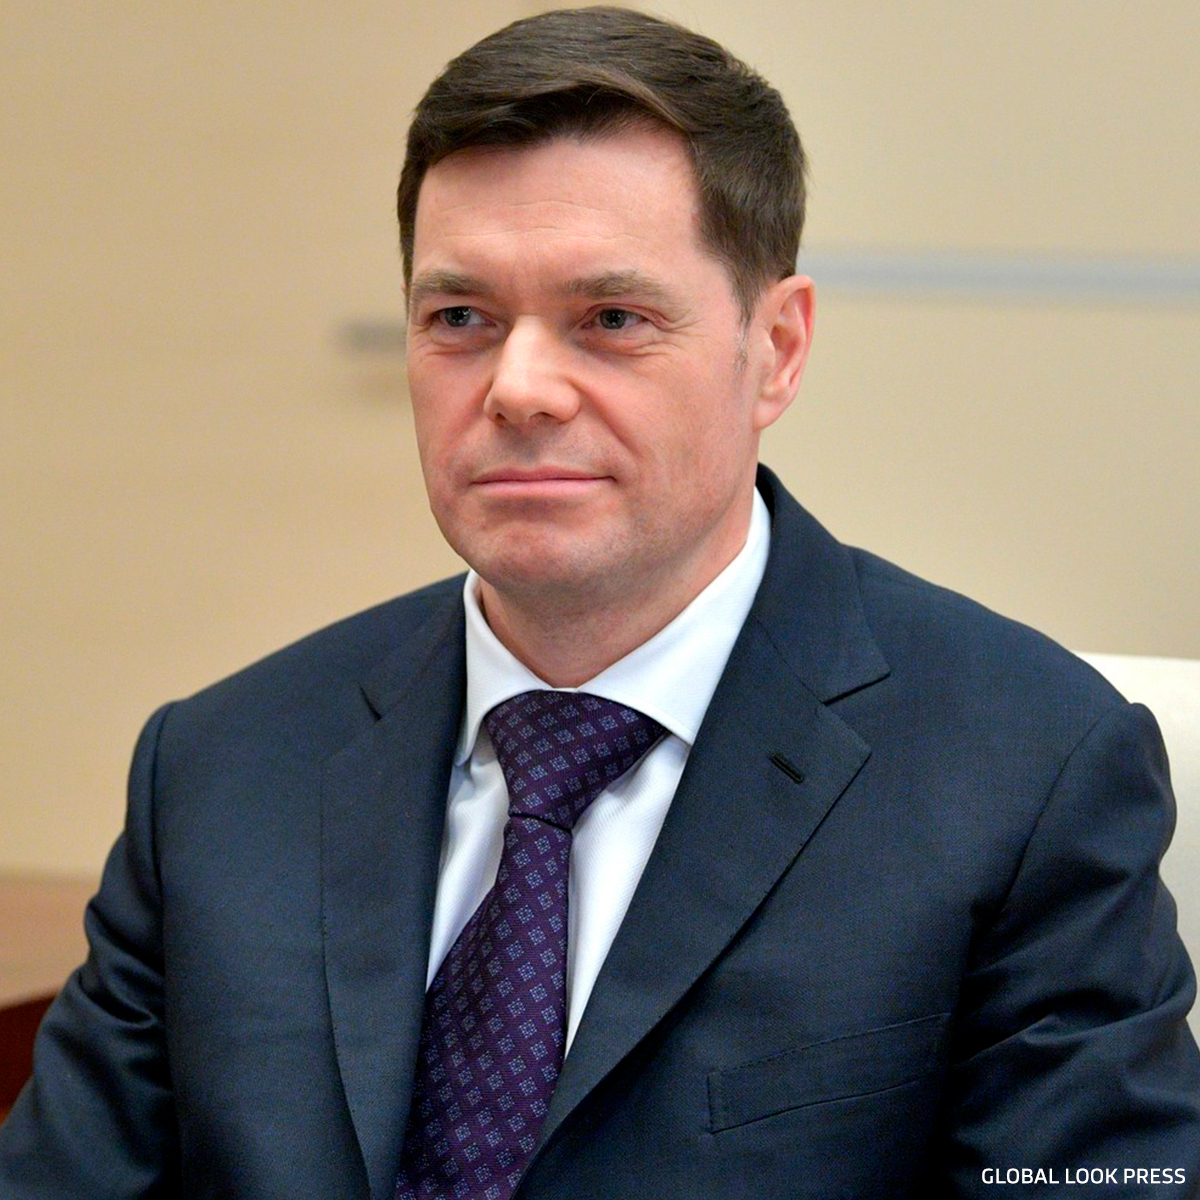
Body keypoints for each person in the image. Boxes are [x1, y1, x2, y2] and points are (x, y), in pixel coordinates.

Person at [2, 7, 1198, 1198]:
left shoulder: (1025, 770)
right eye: (460, 319)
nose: (519, 388)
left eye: (612, 320)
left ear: (777, 348)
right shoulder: (219, 771)